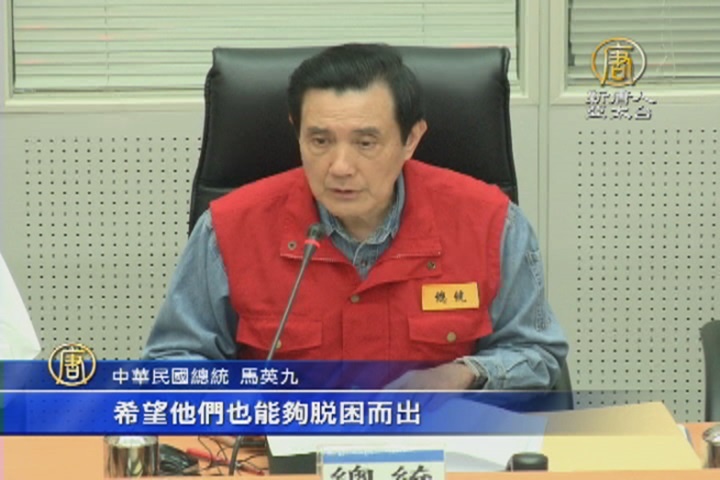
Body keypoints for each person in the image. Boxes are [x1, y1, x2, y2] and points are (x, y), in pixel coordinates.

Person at [143, 43, 568, 390]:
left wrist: (462, 375)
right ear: (297, 132)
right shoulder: (230, 228)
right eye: (320, 141)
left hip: (441, 448)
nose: (340, 167)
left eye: (365, 143)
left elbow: (537, 354)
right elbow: (173, 362)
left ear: (411, 138)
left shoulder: (491, 222)